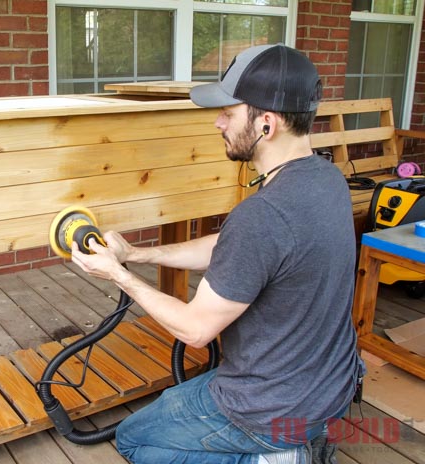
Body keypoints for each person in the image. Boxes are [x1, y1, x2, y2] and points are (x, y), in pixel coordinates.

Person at [71, 44, 364, 463]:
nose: (218, 122)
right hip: (329, 389)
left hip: (269, 409)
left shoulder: (263, 215)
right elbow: (236, 248)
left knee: (135, 440)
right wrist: (136, 253)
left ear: (267, 123)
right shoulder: (327, 179)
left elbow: (194, 330)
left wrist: (118, 276)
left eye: (229, 111)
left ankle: (276, 458)